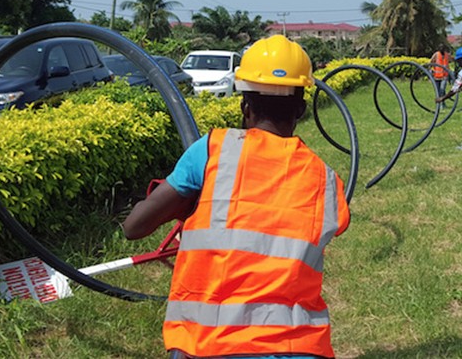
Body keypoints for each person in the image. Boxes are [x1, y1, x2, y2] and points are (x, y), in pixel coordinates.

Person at [122, 35, 350, 359]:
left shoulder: (212, 150)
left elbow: (135, 227)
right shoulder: (326, 179)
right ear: (300, 109)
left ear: (245, 106)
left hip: (206, 345)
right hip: (297, 347)